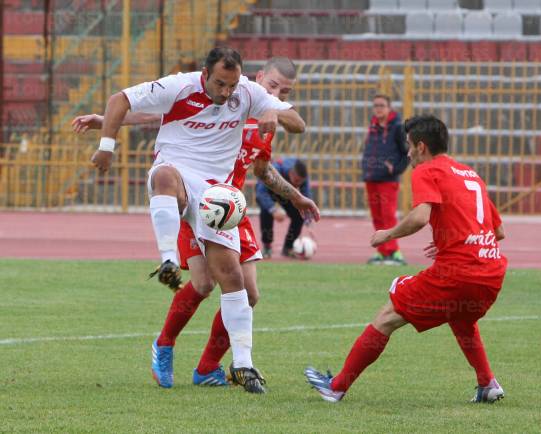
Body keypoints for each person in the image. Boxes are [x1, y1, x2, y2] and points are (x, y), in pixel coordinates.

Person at [74, 56, 319, 392]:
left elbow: (265, 168)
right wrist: (107, 126)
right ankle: (166, 340)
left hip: (225, 202)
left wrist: (295, 196)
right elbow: (157, 111)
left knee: (245, 290)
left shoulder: (258, 113)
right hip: (187, 189)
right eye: (274, 85)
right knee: (204, 284)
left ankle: (215, 366)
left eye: (284, 91)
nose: (276, 92)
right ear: (260, 76)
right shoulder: (200, 90)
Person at [305, 114, 507, 403]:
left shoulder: (426, 171)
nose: (408, 152)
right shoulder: (471, 174)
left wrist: (387, 234)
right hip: (491, 273)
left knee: (389, 313)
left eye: (410, 145)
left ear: (422, 147)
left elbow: (420, 217)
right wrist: (457, 241)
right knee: (461, 317)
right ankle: (487, 383)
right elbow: (497, 230)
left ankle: (336, 386)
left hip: (460, 272)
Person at [361, 94, 409, 265]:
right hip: (371, 177)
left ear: (389, 108)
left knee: (388, 216)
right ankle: (382, 251)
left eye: (382, 105)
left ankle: (394, 252)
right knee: (377, 217)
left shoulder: (397, 127)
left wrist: (395, 169)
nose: (378, 108)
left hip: (388, 180)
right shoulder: (373, 125)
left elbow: (406, 153)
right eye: (376, 105)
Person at [256, 158, 312, 258]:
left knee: (300, 215)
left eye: (301, 182)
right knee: (266, 211)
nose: (298, 184)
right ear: (291, 173)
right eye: (296, 181)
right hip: (269, 192)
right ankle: (267, 246)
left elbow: (306, 198)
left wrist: (308, 219)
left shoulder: (303, 178)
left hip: (287, 195)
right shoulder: (276, 169)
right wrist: (273, 209)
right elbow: (260, 192)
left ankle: (288, 248)